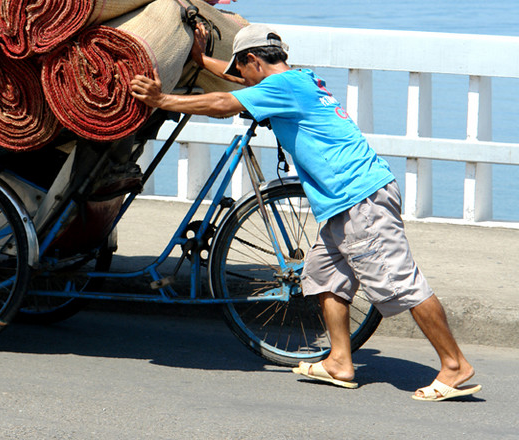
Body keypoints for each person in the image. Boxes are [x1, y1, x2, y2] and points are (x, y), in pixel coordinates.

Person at [129, 23, 481, 402]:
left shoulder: (280, 87)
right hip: (343, 202)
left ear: (253, 60)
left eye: (242, 69)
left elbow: (222, 104)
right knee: (324, 276)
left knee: (401, 283)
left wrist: (162, 100)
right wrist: (199, 59)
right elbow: (235, 78)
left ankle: (454, 364)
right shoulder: (300, 79)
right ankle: (340, 362)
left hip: (360, 199)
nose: (240, 79)